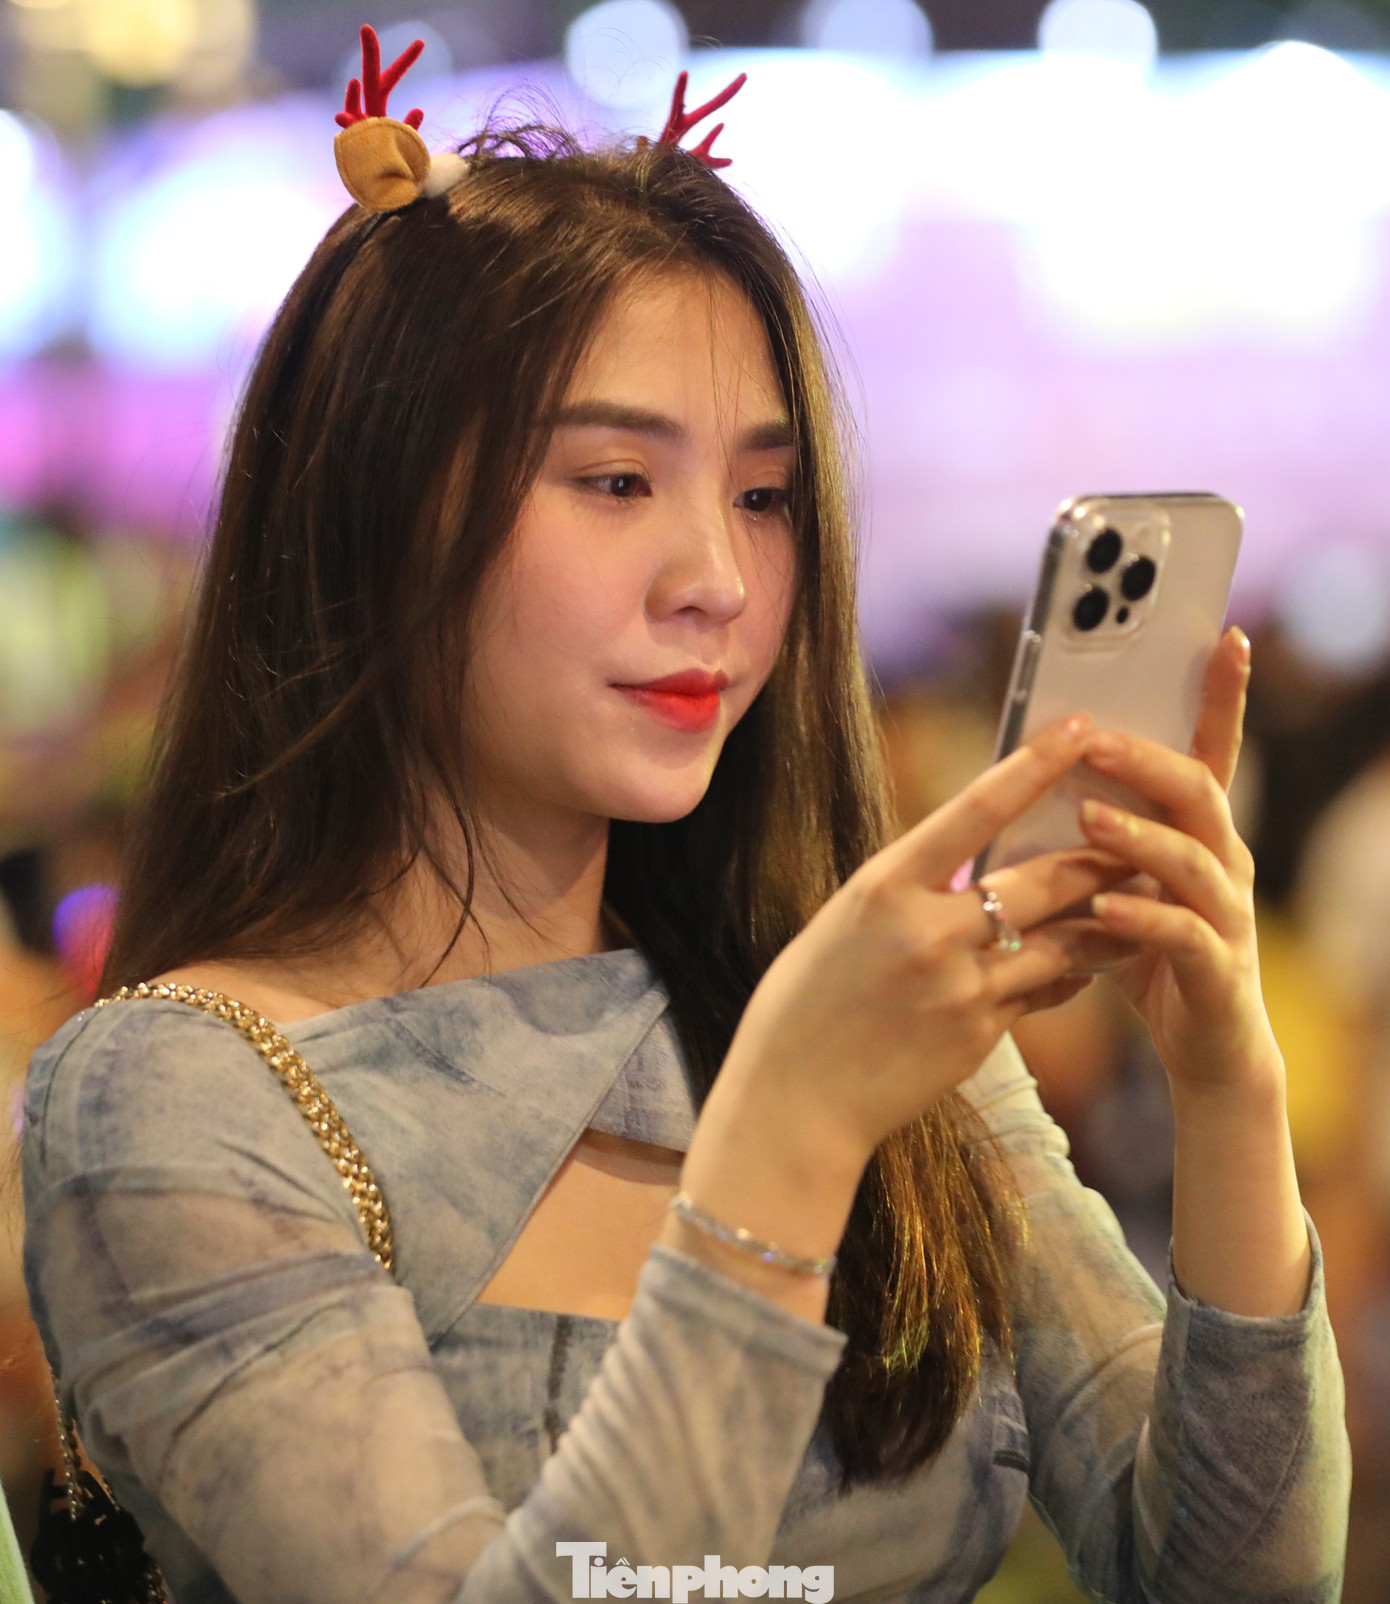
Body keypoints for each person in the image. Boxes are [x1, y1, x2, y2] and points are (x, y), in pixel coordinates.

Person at [21, 29, 1348, 1604]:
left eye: (763, 496)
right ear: (375, 509)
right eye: (614, 481)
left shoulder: (853, 1011)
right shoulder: (180, 1094)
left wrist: (1225, 1089)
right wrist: (786, 1136)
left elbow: (1230, 1580)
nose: (716, 577)